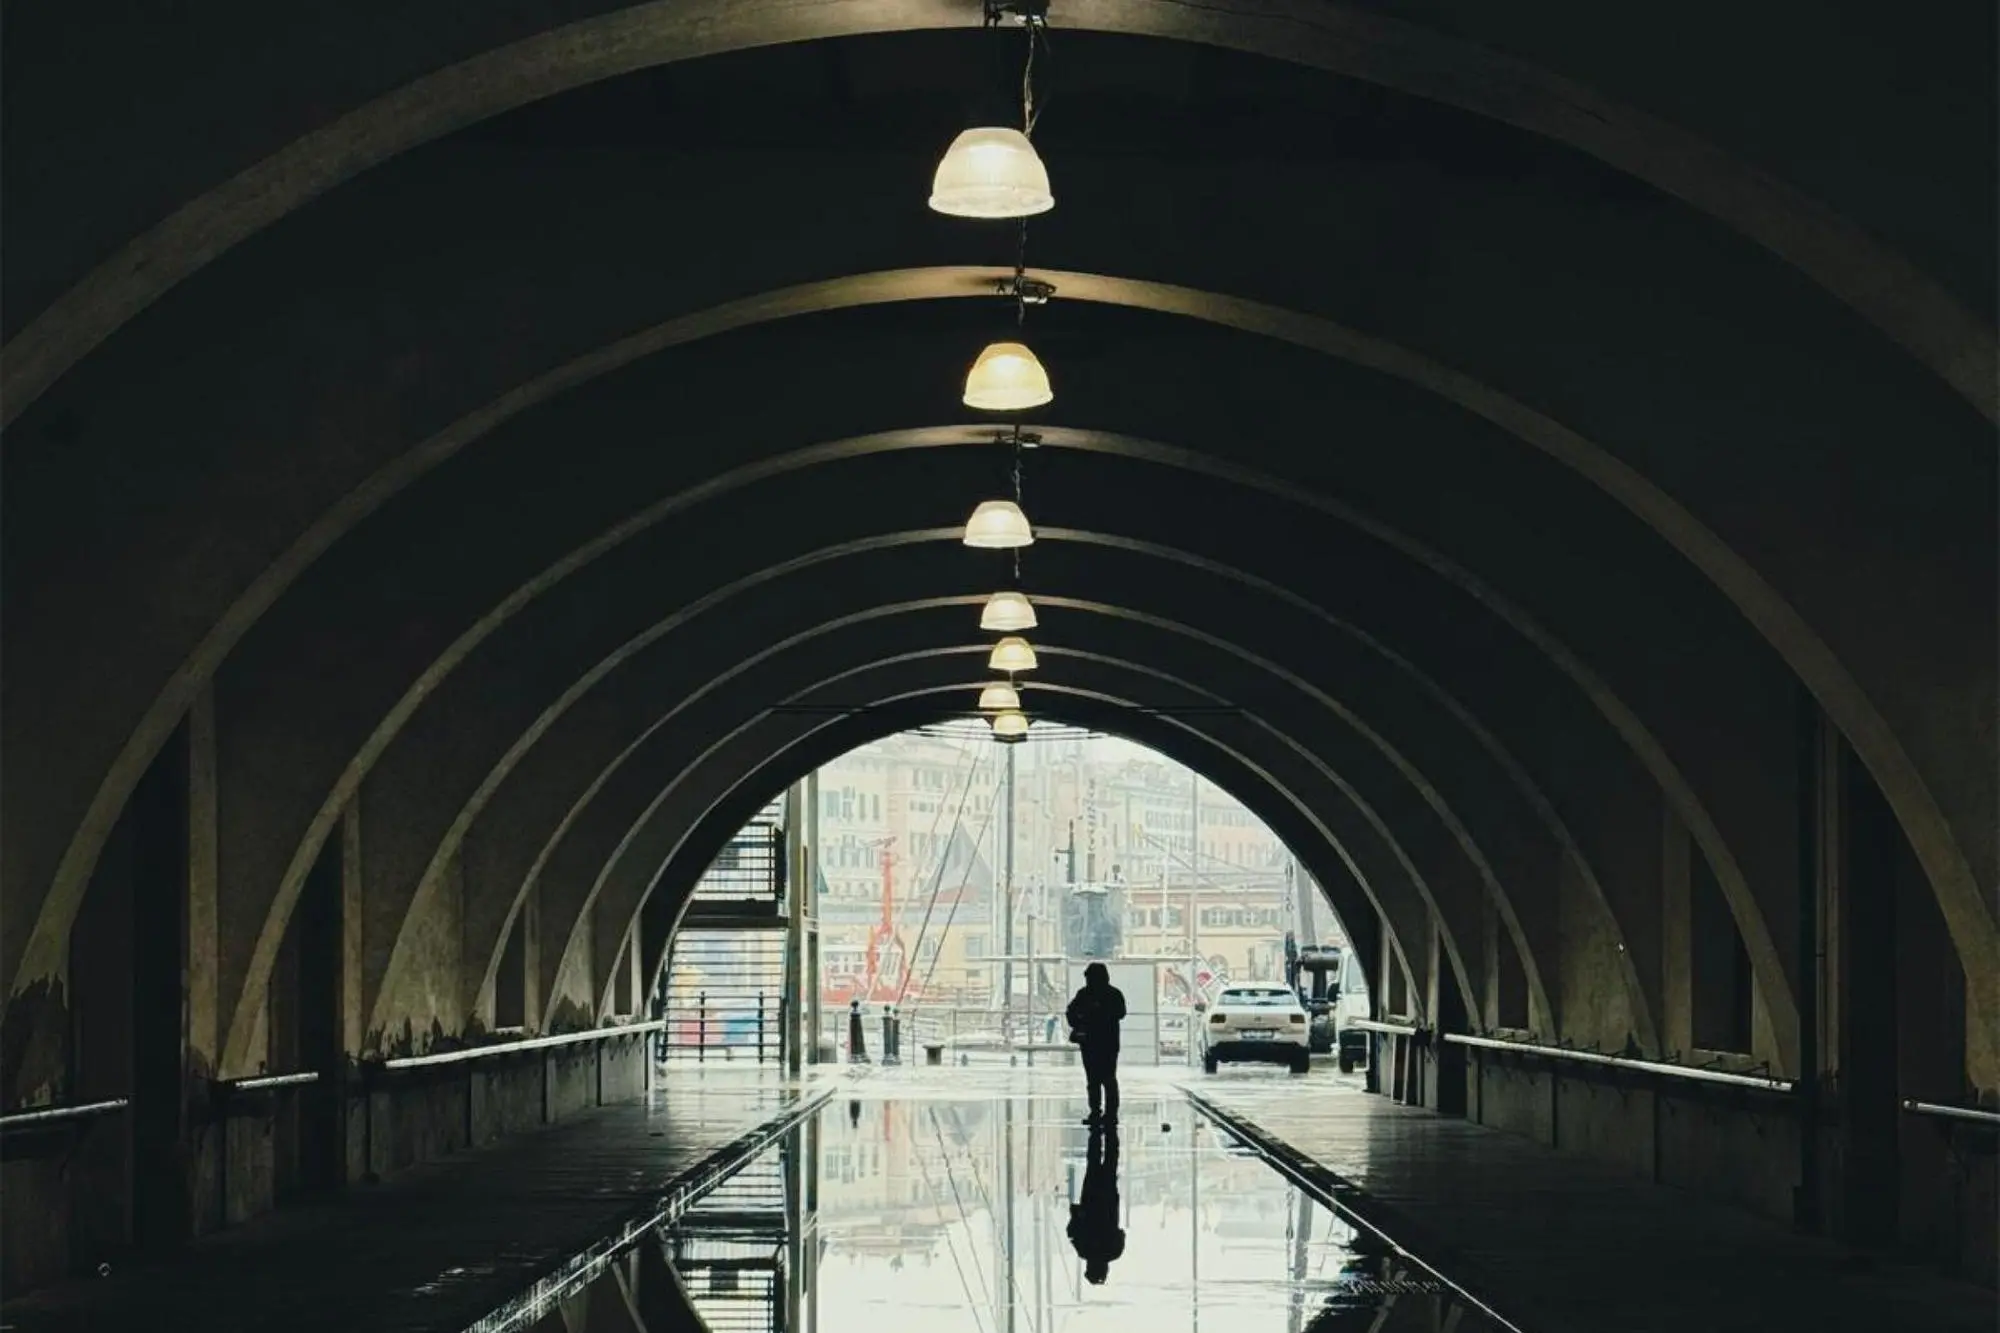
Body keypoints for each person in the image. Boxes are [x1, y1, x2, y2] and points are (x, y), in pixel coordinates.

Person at [1066, 962, 1126, 1124]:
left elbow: (1071, 1012)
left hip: (1091, 1043)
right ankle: (1110, 1113)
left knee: (1094, 1079)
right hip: (1109, 1042)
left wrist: (1080, 1021)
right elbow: (1121, 1013)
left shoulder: (1084, 994)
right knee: (1108, 1079)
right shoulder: (1114, 994)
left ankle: (1096, 1112)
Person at [1066, 1125, 1125, 1285]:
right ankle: (1096, 1130)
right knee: (1093, 1162)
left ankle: (1110, 1129)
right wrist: (1076, 1214)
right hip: (1090, 1202)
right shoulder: (1084, 1250)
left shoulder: (1113, 1252)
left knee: (1111, 1161)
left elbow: (1121, 1234)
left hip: (1109, 1203)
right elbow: (1072, 1231)